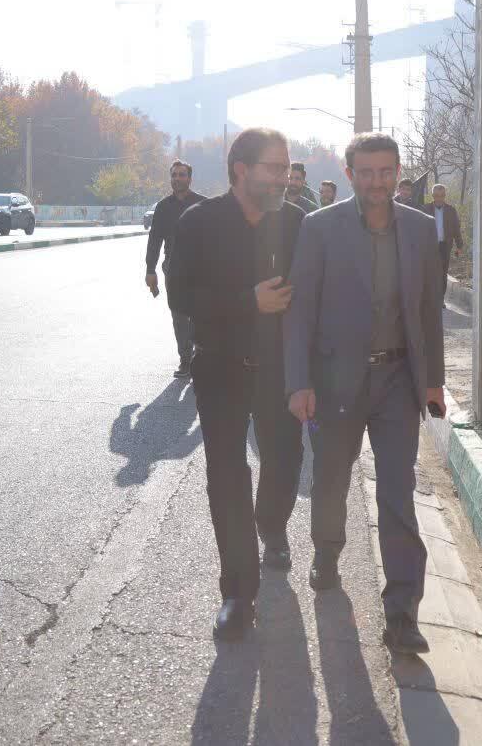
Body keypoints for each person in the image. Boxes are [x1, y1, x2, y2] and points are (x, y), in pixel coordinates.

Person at [285, 132, 445, 655]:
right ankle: (327, 551)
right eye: (367, 172)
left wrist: (433, 379)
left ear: (398, 172)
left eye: (386, 171)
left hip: (398, 380)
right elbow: (300, 310)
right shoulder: (320, 227)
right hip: (335, 381)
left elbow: (429, 309)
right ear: (350, 174)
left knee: (397, 491)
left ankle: (402, 614)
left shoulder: (419, 229)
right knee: (331, 478)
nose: (378, 182)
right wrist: (299, 381)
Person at [167, 128, 306, 641]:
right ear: (241, 170)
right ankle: (237, 592)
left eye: (286, 167)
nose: (284, 177)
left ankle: (271, 524)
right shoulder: (198, 222)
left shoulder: (296, 223)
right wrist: (248, 301)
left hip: (280, 370)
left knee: (285, 463)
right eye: (274, 168)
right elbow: (180, 296)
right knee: (226, 476)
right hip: (220, 368)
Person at [145, 159, 207, 378]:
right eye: (174, 175)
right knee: (179, 317)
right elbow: (154, 240)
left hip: (201, 271)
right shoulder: (163, 207)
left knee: (200, 315)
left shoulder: (203, 205)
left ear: (189, 178)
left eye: (182, 175)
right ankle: (185, 361)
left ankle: (201, 356)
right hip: (173, 269)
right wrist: (150, 270)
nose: (177, 179)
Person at [429, 184, 463, 307]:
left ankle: (440, 299)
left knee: (442, 274)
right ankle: (430, 298)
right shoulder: (425, 209)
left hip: (444, 246)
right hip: (429, 247)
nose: (439, 198)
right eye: (437, 195)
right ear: (433, 195)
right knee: (430, 273)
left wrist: (459, 246)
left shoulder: (451, 210)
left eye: (442, 195)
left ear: (445, 196)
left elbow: (456, 229)